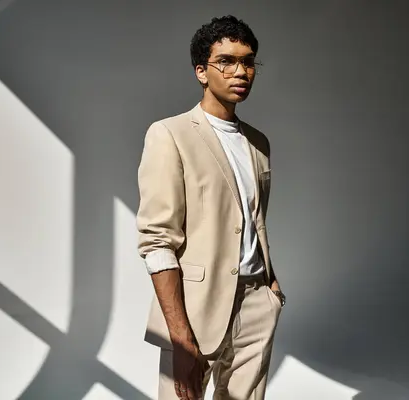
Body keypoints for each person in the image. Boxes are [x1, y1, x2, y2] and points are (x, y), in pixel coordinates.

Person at [136, 15, 285, 400]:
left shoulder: (258, 143)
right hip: (195, 308)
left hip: (256, 302)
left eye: (248, 61)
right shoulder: (170, 134)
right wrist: (180, 335)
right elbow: (156, 242)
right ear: (202, 72)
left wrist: (269, 286)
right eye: (227, 61)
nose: (241, 71)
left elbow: (250, 221)